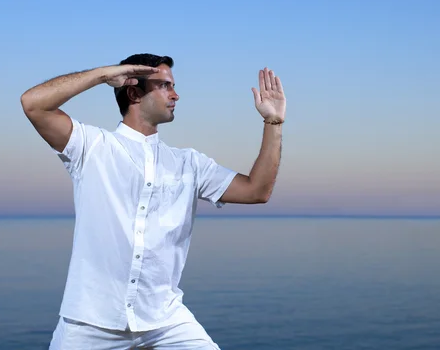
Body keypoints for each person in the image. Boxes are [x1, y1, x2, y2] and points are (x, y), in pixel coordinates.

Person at [20, 53, 286, 349]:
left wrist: (273, 121)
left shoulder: (189, 163)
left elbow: (256, 190)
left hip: (165, 320)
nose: (176, 95)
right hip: (90, 322)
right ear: (134, 93)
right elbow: (34, 103)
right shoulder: (92, 146)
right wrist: (104, 75)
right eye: (165, 86)